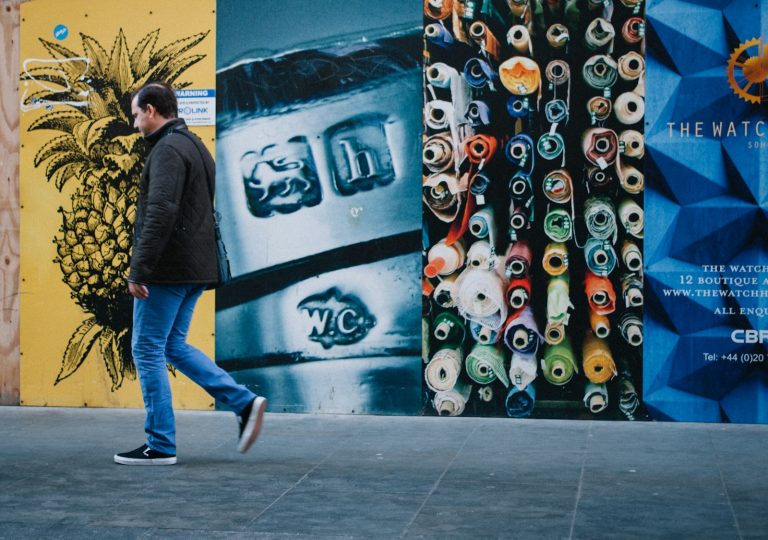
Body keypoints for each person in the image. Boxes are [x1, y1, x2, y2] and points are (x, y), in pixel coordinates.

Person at [114, 82, 266, 465]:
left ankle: (160, 444)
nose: (135, 125)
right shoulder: (196, 146)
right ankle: (244, 402)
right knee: (173, 346)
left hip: (168, 270)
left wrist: (140, 270)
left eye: (135, 115)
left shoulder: (166, 150)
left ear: (151, 110)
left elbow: (161, 211)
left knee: (146, 349)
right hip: (197, 267)